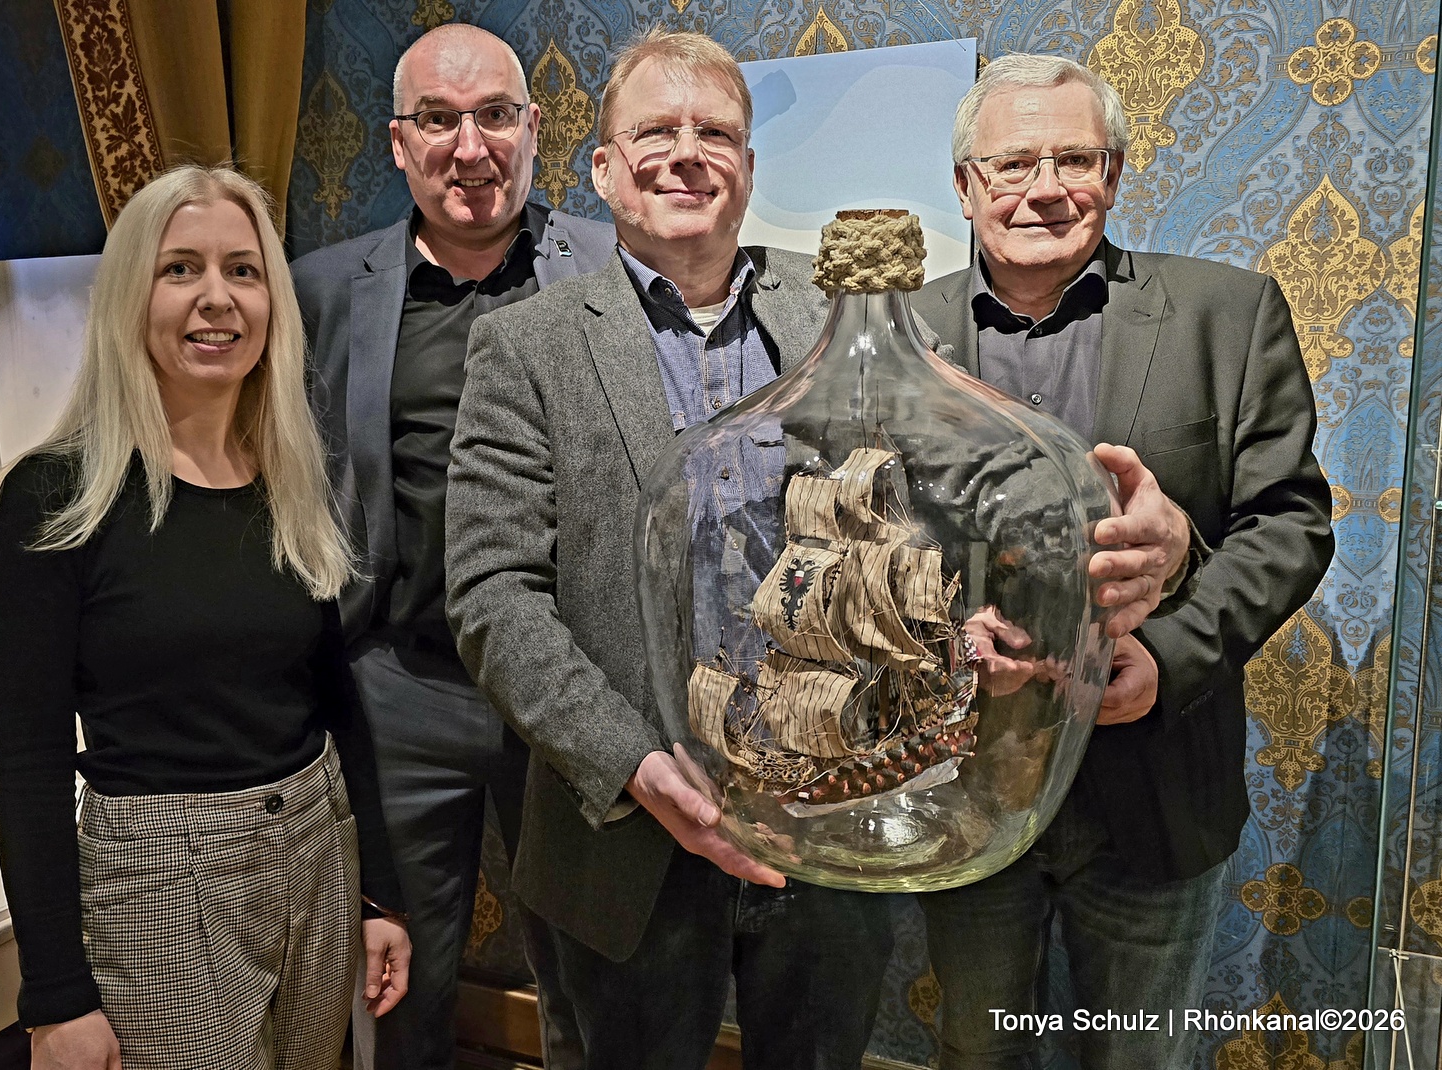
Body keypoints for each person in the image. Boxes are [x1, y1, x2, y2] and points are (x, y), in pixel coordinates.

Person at [444, 29, 1191, 1069]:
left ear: (749, 168)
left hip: (834, 817)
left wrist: (1141, 540)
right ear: (604, 168)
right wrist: (633, 766)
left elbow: (960, 495)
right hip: (624, 837)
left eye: (715, 133)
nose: (686, 153)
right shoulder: (526, 346)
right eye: (655, 132)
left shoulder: (849, 311)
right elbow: (492, 594)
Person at [910, 54, 1335, 1069]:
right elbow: (867, 533)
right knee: (977, 1051)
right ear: (965, 184)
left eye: (1075, 159)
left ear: (1113, 173)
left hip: (1153, 788)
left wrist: (1169, 656)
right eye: (1012, 162)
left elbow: (1291, 522)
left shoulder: (1227, 314)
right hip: (964, 786)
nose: (1044, 187)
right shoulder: (902, 333)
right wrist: (936, 633)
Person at [0, 164, 410, 1070]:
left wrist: (379, 894)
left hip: (318, 850)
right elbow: (29, 769)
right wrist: (55, 998)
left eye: (243, 270)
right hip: (162, 887)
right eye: (181, 269)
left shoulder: (290, 482)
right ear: (131, 297)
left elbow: (336, 705)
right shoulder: (54, 499)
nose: (217, 298)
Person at [290, 23, 613, 1070]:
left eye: (494, 116)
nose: (469, 148)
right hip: (403, 689)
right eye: (438, 119)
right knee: (400, 983)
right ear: (398, 142)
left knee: (588, 973)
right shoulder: (319, 290)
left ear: (534, 129)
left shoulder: (613, 266)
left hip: (571, 682)